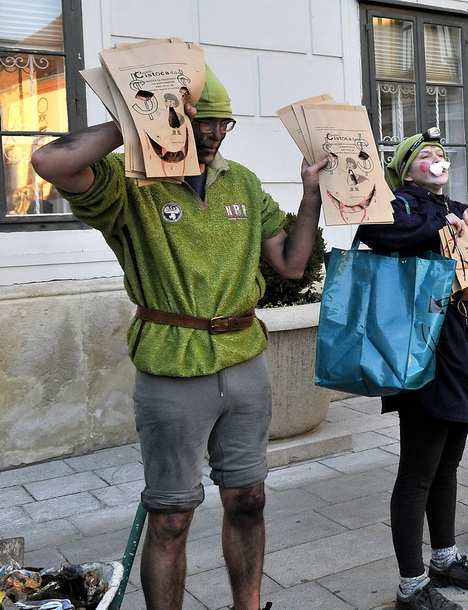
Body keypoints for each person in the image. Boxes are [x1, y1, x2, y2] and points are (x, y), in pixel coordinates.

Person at [30, 66, 325, 610]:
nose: (213, 135)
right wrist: (134, 121)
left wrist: (311, 196)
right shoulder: (129, 181)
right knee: (170, 516)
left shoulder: (242, 182)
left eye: (222, 124)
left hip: (244, 358)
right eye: (201, 122)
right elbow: (50, 162)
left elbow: (292, 263)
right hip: (171, 365)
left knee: (249, 500)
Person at [356, 129, 468, 610]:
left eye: (441, 153)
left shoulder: (454, 206)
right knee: (418, 472)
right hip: (421, 348)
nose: (438, 159)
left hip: (462, 346)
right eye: (426, 155)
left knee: (448, 464)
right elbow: (377, 231)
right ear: (407, 170)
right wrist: (445, 224)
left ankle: (444, 557)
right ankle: (411, 585)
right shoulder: (397, 205)